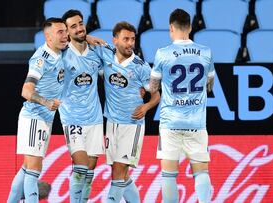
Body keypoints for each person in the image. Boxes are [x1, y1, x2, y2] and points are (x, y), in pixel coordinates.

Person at [149, 9, 215, 203]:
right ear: (191, 27)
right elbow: (210, 86)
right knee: (201, 171)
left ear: (171, 27)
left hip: (170, 123)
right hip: (196, 122)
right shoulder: (206, 52)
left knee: (169, 174)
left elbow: (153, 86)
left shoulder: (163, 53)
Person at [95, 22, 160, 202]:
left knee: (118, 171)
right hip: (111, 123)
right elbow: (85, 40)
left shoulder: (142, 66)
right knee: (121, 175)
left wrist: (146, 107)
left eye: (132, 39)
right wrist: (95, 40)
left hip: (132, 125)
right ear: (115, 40)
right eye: (125, 39)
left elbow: (156, 95)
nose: (130, 43)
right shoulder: (106, 53)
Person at [7, 17, 68, 203]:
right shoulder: (41, 59)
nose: (65, 35)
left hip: (43, 119)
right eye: (61, 32)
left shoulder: (61, 53)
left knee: (27, 167)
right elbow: (26, 91)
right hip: (34, 118)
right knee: (33, 170)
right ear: (48, 37)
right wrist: (46, 102)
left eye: (65, 31)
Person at [59, 10, 105, 203]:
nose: (79, 28)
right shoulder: (61, 53)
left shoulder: (96, 52)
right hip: (72, 118)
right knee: (81, 167)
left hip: (94, 118)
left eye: (80, 23)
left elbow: (111, 75)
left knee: (89, 172)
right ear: (67, 32)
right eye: (73, 26)